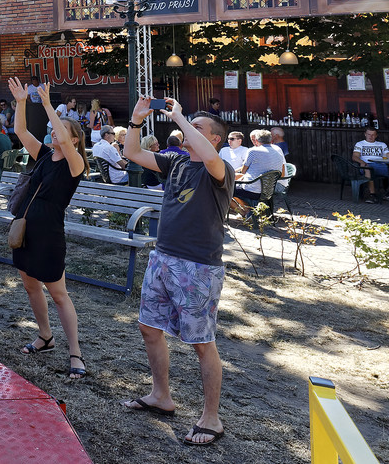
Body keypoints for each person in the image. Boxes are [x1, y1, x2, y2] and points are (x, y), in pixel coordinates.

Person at [121, 95, 234, 447]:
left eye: (199, 129)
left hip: (198, 266)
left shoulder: (220, 170)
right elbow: (133, 154)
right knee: (148, 328)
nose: (187, 131)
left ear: (214, 138)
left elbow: (210, 157)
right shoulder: (175, 162)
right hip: (163, 257)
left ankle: (211, 419)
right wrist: (137, 120)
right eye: (188, 127)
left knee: (202, 343)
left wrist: (183, 119)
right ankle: (161, 396)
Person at [6, 77, 88, 380]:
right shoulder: (43, 154)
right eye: (52, 128)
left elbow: (65, 143)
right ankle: (45, 336)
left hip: (50, 234)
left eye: (60, 130)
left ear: (76, 139)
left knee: (59, 294)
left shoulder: (74, 164)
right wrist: (22, 102)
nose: (54, 132)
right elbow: (20, 131)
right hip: (27, 229)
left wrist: (50, 105)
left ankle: (75, 353)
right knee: (30, 285)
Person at [235, 129, 286, 203]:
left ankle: (245, 210)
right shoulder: (278, 152)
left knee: (228, 189)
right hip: (269, 191)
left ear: (256, 140)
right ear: (270, 139)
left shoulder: (253, 151)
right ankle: (252, 209)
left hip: (252, 190)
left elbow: (243, 171)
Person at [352, 127, 389, 204]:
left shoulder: (382, 144)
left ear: (376, 135)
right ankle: (372, 195)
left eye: (373, 135)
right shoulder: (360, 144)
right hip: (366, 165)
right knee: (369, 169)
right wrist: (361, 162)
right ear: (365, 134)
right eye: (369, 134)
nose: (371, 137)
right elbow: (355, 156)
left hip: (381, 165)